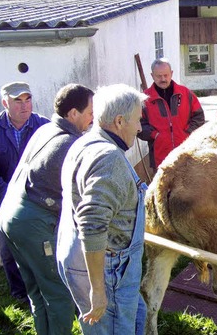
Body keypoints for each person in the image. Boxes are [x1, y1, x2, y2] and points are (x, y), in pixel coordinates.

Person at [0, 83, 94, 334]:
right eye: (90, 111)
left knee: (36, 290)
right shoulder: (69, 144)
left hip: (9, 215)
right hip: (32, 222)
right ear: (73, 114)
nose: (93, 117)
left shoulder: (45, 129)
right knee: (58, 291)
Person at [56, 84, 148, 335]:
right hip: (107, 270)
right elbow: (92, 222)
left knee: (138, 315)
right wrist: (98, 290)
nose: (140, 128)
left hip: (81, 257)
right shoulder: (108, 157)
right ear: (119, 121)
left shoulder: (85, 141)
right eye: (138, 120)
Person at [0, 81, 50, 303]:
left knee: (40, 246)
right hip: (3, 198)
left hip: (36, 199)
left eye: (28, 99)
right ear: (5, 103)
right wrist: (6, 194)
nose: (24, 106)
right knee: (8, 249)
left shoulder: (43, 126)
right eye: (18, 101)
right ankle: (19, 293)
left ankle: (42, 289)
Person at [138, 58, 205, 170]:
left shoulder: (185, 93)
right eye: (159, 76)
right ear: (152, 75)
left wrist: (187, 133)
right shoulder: (144, 99)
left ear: (171, 74)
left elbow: (199, 117)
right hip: (160, 159)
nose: (163, 79)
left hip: (187, 155)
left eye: (166, 75)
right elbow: (138, 125)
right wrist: (155, 135)